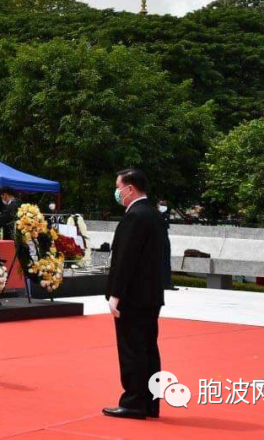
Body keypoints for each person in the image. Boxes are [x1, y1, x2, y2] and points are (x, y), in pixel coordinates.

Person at [103, 168, 166, 420]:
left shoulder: (135, 217)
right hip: (151, 295)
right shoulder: (153, 214)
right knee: (149, 348)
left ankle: (133, 402)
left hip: (133, 296)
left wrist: (115, 294)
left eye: (119, 186)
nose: (117, 192)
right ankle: (151, 402)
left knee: (132, 349)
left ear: (129, 189)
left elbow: (126, 260)